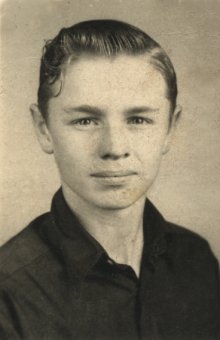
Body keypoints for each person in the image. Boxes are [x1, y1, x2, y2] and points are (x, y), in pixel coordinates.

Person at [0, 19, 219, 340]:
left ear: (170, 129)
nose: (114, 148)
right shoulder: (10, 293)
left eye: (139, 119)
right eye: (86, 120)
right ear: (43, 128)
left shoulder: (196, 260)